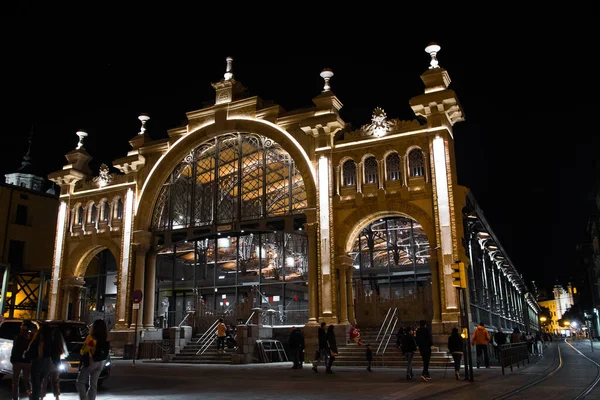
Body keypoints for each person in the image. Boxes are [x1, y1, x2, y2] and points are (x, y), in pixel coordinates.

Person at [76, 319, 109, 400]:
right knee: (93, 384)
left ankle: (84, 398)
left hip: (92, 361)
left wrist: (81, 350)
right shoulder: (105, 338)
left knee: (80, 382)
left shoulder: (91, 338)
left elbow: (84, 350)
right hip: (101, 362)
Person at [25, 324, 54, 400]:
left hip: (37, 362)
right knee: (40, 382)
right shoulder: (50, 340)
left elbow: (31, 352)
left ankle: (35, 397)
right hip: (46, 363)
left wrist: (27, 355)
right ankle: (37, 397)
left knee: (35, 384)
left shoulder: (38, 339)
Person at [40, 327, 68, 400]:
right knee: (55, 381)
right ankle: (57, 396)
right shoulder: (57, 342)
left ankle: (42, 396)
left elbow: (43, 352)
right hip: (56, 362)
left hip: (46, 362)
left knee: (44, 380)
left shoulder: (46, 342)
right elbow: (61, 351)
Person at [10, 319, 33, 400]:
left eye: (23, 325)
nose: (21, 326)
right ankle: (30, 395)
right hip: (27, 361)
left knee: (15, 381)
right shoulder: (31, 336)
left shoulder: (19, 336)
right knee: (26, 380)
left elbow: (15, 348)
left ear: (25, 326)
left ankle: (15, 397)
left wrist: (12, 358)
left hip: (18, 361)